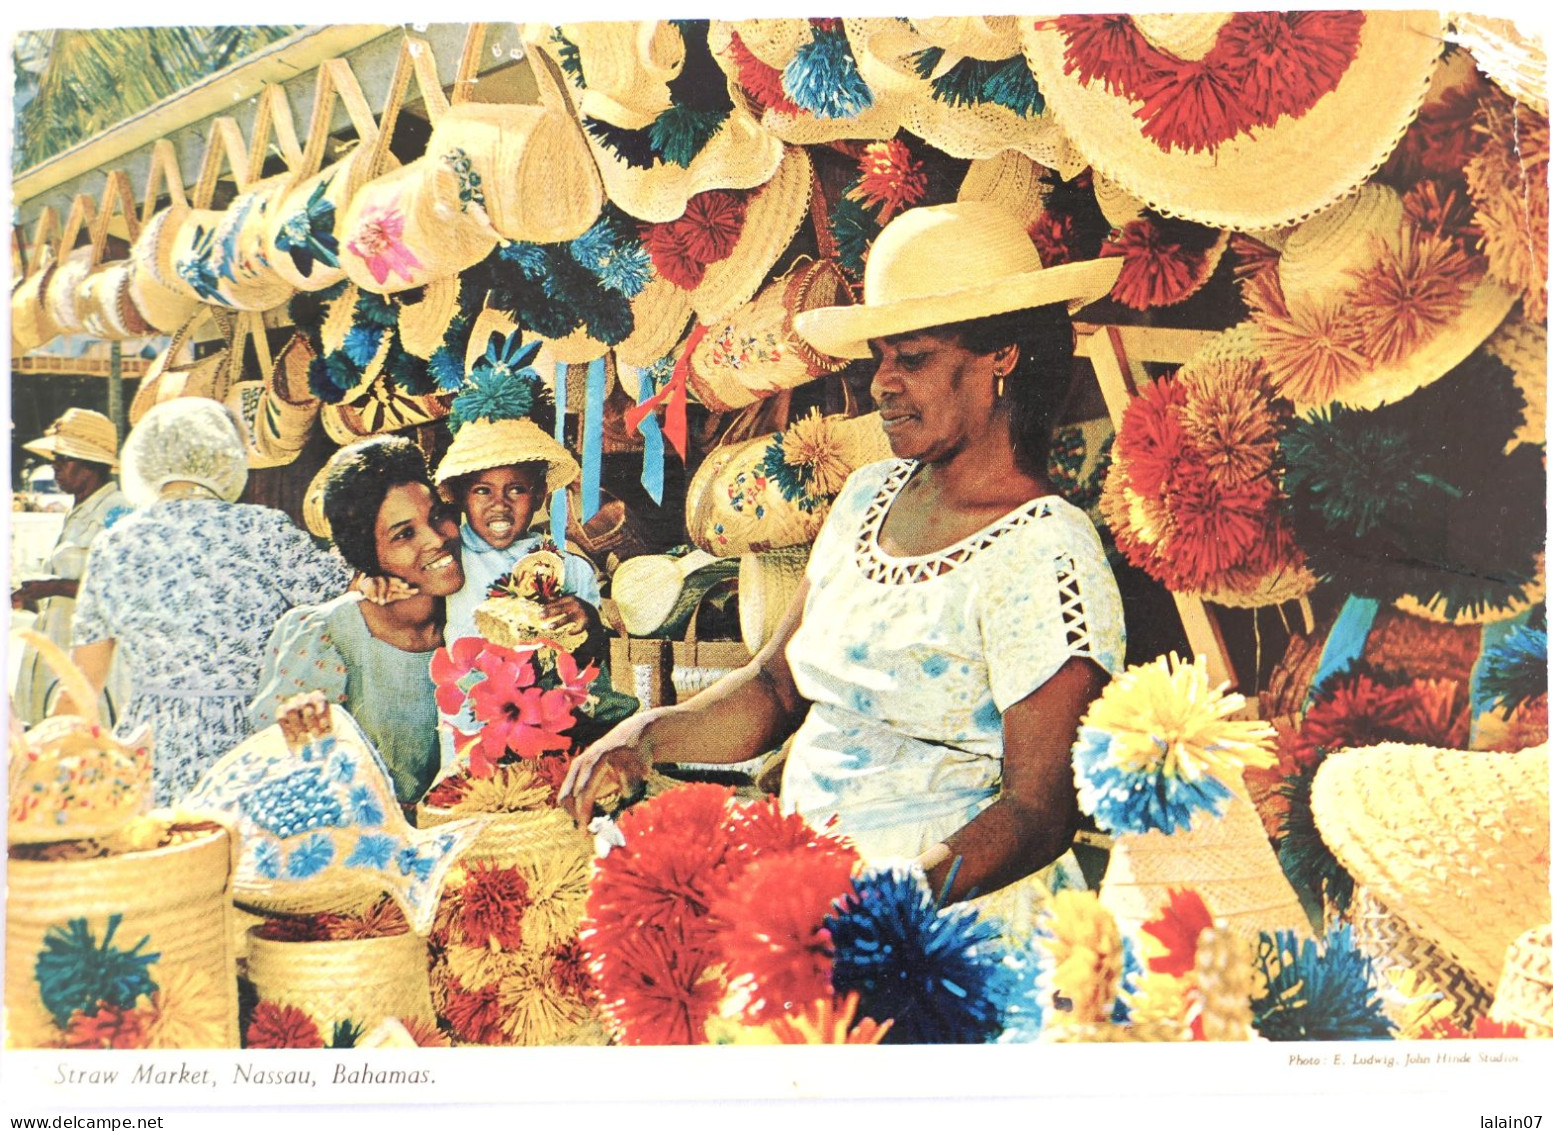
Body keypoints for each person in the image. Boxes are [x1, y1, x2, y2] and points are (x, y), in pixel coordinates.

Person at [561, 202, 1127, 925]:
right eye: (879, 358)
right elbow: (772, 687)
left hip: (943, 927)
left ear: (1001, 356)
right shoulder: (868, 496)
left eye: (912, 357)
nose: (882, 383)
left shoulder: (1045, 549)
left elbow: (1035, 809)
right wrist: (641, 735)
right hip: (810, 891)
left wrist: (882, 904)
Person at [68, 399, 353, 804]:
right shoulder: (262, 531)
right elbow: (348, 594)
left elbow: (82, 684)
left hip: (151, 748)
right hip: (256, 743)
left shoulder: (114, 544)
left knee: (170, 856)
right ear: (227, 458)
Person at [249, 436, 466, 807]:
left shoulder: (478, 615)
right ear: (368, 554)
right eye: (404, 534)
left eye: (436, 517)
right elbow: (284, 779)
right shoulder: (326, 635)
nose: (435, 539)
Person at [12, 409, 132, 726]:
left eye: (63, 459)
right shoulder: (76, 511)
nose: (54, 467)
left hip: (88, 663)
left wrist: (52, 588)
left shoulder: (117, 511)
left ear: (90, 464)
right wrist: (34, 594)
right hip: (54, 652)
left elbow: (118, 590)